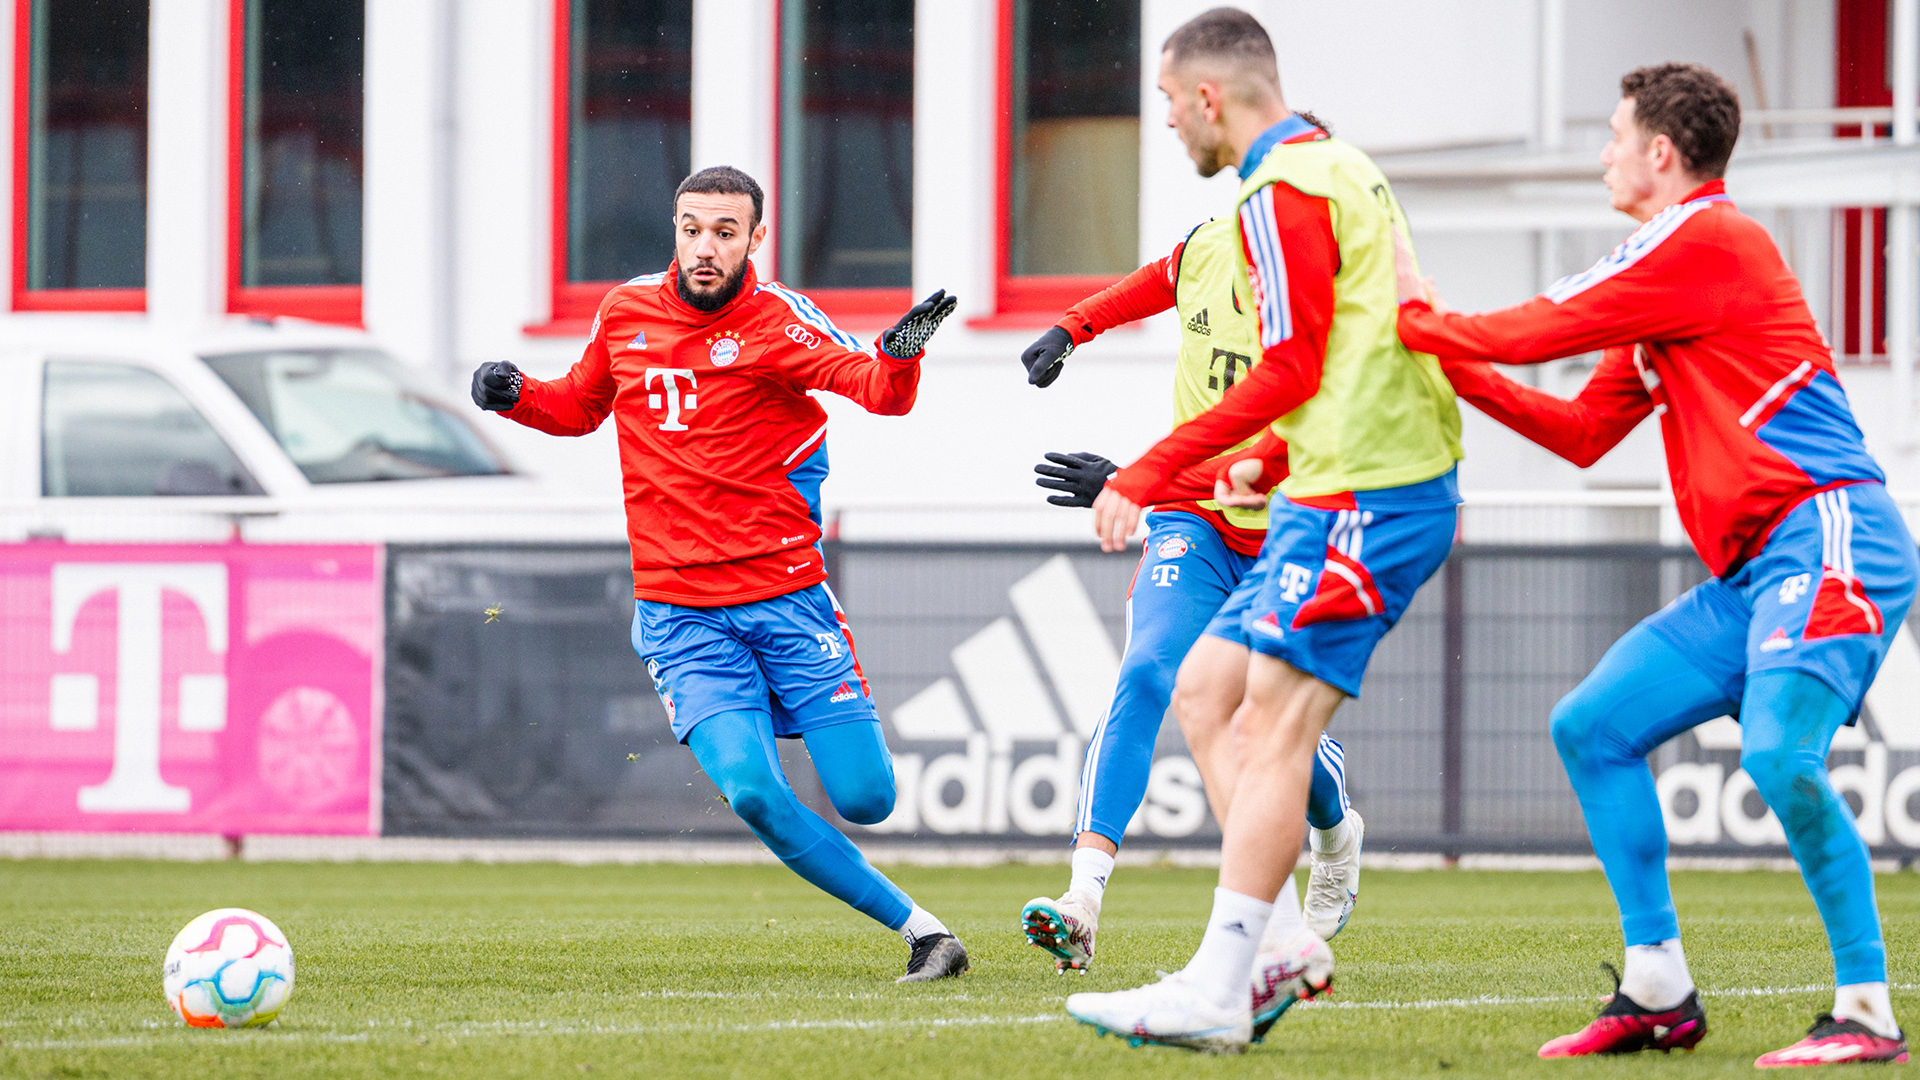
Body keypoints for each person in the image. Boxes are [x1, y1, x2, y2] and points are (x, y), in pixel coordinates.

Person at [1396, 63, 1914, 1066]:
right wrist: (1447, 360)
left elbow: (1540, 323)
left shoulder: (1703, 238)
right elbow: (1584, 431)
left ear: (1661, 155)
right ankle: (1658, 990)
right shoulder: (1671, 269)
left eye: (1614, 134)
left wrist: (1415, 323)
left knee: (1776, 755)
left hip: (1833, 530)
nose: (1605, 152)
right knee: (1592, 726)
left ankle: (1867, 1013)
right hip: (1760, 567)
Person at [1062, 8, 1462, 1053]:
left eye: (1163, 105)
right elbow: (1365, 351)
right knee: (1203, 692)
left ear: (1207, 98)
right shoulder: (1344, 170)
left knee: (1261, 729)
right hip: (1338, 483)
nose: (1166, 128)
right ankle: (1268, 948)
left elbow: (1294, 366)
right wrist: (1269, 459)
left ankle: (1242, 968)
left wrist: (1147, 473)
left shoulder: (1278, 190)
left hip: (1366, 496)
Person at [469, 165, 968, 983]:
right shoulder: (625, 310)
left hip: (787, 601)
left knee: (867, 798)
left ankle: (771, 702)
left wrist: (901, 354)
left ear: (755, 240)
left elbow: (879, 392)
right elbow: (577, 407)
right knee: (755, 794)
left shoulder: (782, 322)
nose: (705, 247)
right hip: (682, 616)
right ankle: (925, 934)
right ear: (675, 228)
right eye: (692, 228)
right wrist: (516, 393)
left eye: (725, 232)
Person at [1016, 217, 1361, 1003]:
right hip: (1194, 524)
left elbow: (1284, 460)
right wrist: (1073, 327)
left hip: (1294, 523)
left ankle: (1335, 831)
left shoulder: (1336, 299)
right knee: (1147, 673)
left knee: (1263, 715)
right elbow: (1155, 280)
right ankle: (1083, 898)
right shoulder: (1212, 242)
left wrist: (1137, 477)